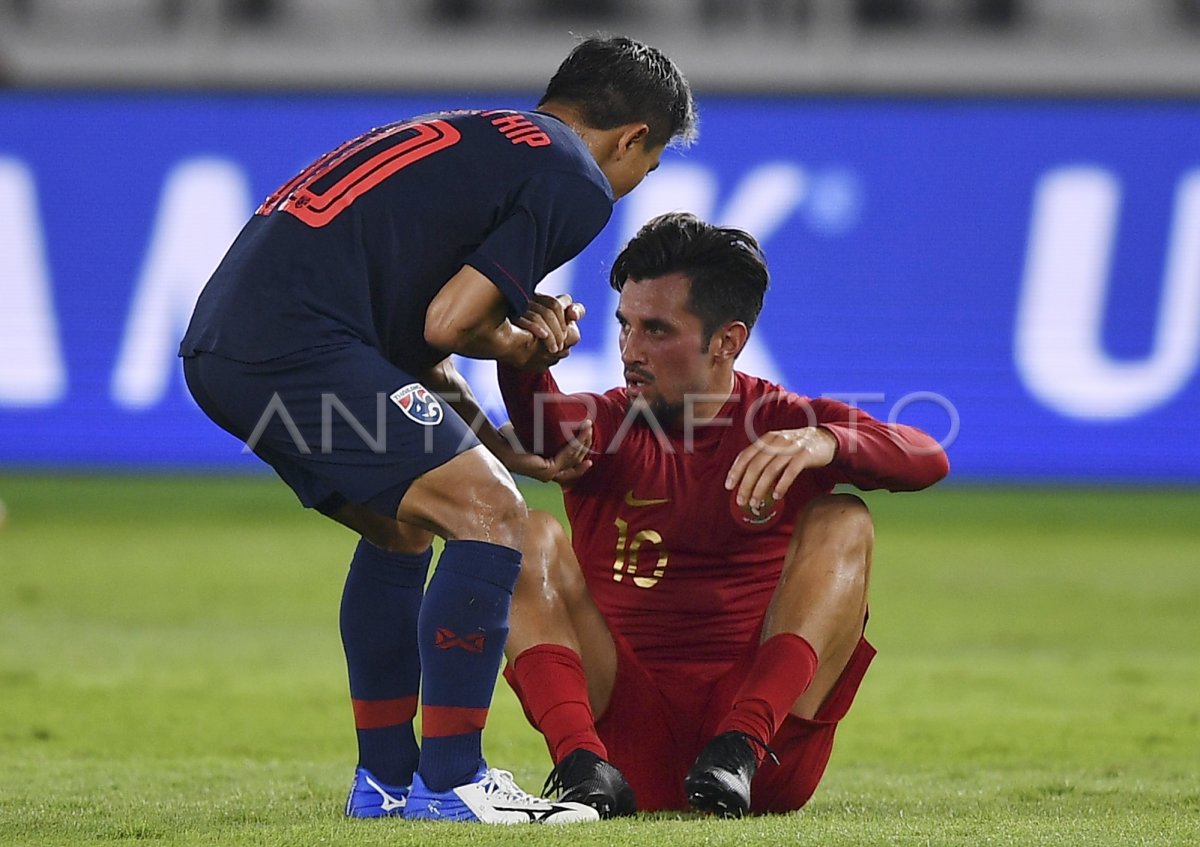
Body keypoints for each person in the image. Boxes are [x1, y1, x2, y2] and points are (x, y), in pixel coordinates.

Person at [178, 37, 696, 825]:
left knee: (405, 526)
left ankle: (385, 782)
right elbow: (452, 321)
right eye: (645, 169)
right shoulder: (574, 178)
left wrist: (500, 444)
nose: (630, 186)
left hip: (230, 345)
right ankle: (454, 777)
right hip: (298, 346)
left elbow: (412, 350)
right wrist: (528, 343)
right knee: (494, 514)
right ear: (631, 139)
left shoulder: (480, 136)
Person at [496, 212, 949, 818]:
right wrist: (524, 363)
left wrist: (830, 442)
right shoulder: (607, 421)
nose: (630, 351)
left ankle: (739, 745)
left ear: (727, 341)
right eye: (625, 326)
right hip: (622, 741)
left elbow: (929, 456)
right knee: (521, 529)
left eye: (657, 330)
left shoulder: (785, 422)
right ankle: (579, 765)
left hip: (762, 761)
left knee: (845, 519)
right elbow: (543, 429)